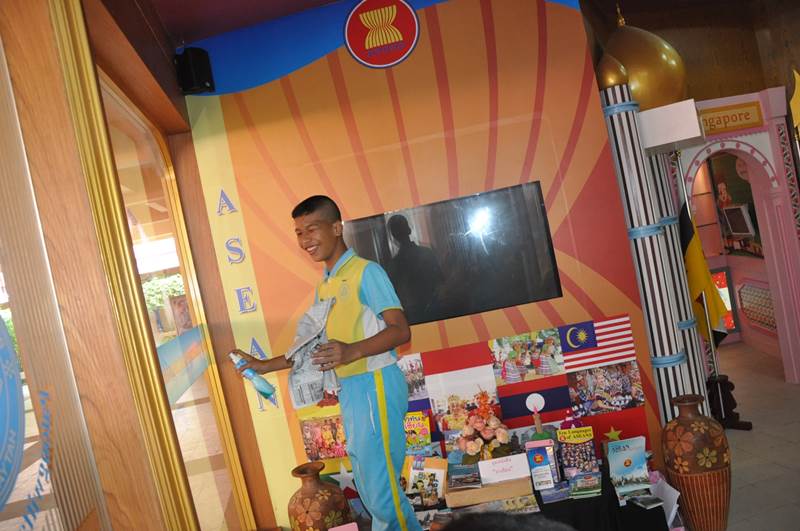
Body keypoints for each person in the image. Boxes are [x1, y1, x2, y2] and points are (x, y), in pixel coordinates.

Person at [231, 195, 420, 531]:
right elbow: (312, 350)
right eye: (299, 232)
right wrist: (263, 366)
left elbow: (400, 330)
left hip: (375, 383)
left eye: (312, 229)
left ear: (336, 228)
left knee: (382, 492)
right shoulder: (326, 285)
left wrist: (352, 351)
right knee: (368, 486)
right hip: (353, 389)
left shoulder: (366, 272)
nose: (305, 240)